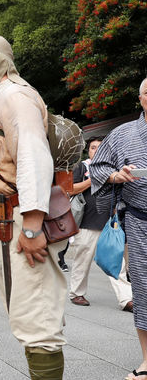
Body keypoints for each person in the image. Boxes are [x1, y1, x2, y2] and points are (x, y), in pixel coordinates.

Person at [0, 33, 67, 376]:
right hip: (4, 219)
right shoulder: (0, 98)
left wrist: (33, 224)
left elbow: (33, 157)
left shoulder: (16, 96)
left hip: (21, 222)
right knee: (24, 312)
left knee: (37, 317)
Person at [88, 76, 147, 380]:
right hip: (140, 223)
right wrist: (116, 176)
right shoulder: (123, 134)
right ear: (141, 99)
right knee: (144, 291)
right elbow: (98, 167)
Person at [68, 137, 133, 310]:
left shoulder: (112, 169)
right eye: (92, 147)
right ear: (88, 151)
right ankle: (77, 293)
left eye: (100, 147)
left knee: (116, 261)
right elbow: (71, 188)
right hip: (87, 221)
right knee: (83, 259)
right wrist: (94, 179)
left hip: (109, 222)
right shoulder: (83, 167)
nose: (96, 150)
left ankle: (126, 299)